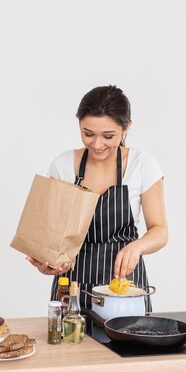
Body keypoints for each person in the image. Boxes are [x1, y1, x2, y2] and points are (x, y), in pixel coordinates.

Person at [27, 85, 168, 309]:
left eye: (108, 136)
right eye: (88, 134)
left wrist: (136, 247)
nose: (97, 144)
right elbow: (47, 235)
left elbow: (160, 230)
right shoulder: (63, 165)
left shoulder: (142, 165)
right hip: (72, 287)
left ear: (126, 128)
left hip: (125, 287)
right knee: (70, 343)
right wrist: (46, 263)